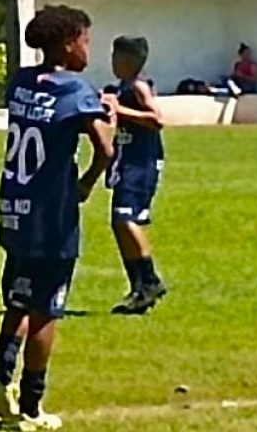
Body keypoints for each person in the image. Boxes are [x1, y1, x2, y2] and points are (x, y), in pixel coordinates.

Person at [0, 5, 115, 431]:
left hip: (15, 207)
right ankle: (33, 407)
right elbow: (106, 149)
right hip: (52, 215)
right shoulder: (76, 89)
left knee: (18, 297)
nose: (88, 50)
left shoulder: (20, 83)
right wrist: (88, 182)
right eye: (86, 41)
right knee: (46, 310)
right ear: (69, 43)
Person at [102, 36, 167, 315]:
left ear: (128, 61)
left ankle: (150, 279)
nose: (112, 63)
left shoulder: (138, 87)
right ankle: (139, 285)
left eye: (116, 57)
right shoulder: (122, 87)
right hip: (128, 161)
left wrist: (120, 110)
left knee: (125, 219)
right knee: (118, 223)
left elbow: (157, 120)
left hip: (143, 162)